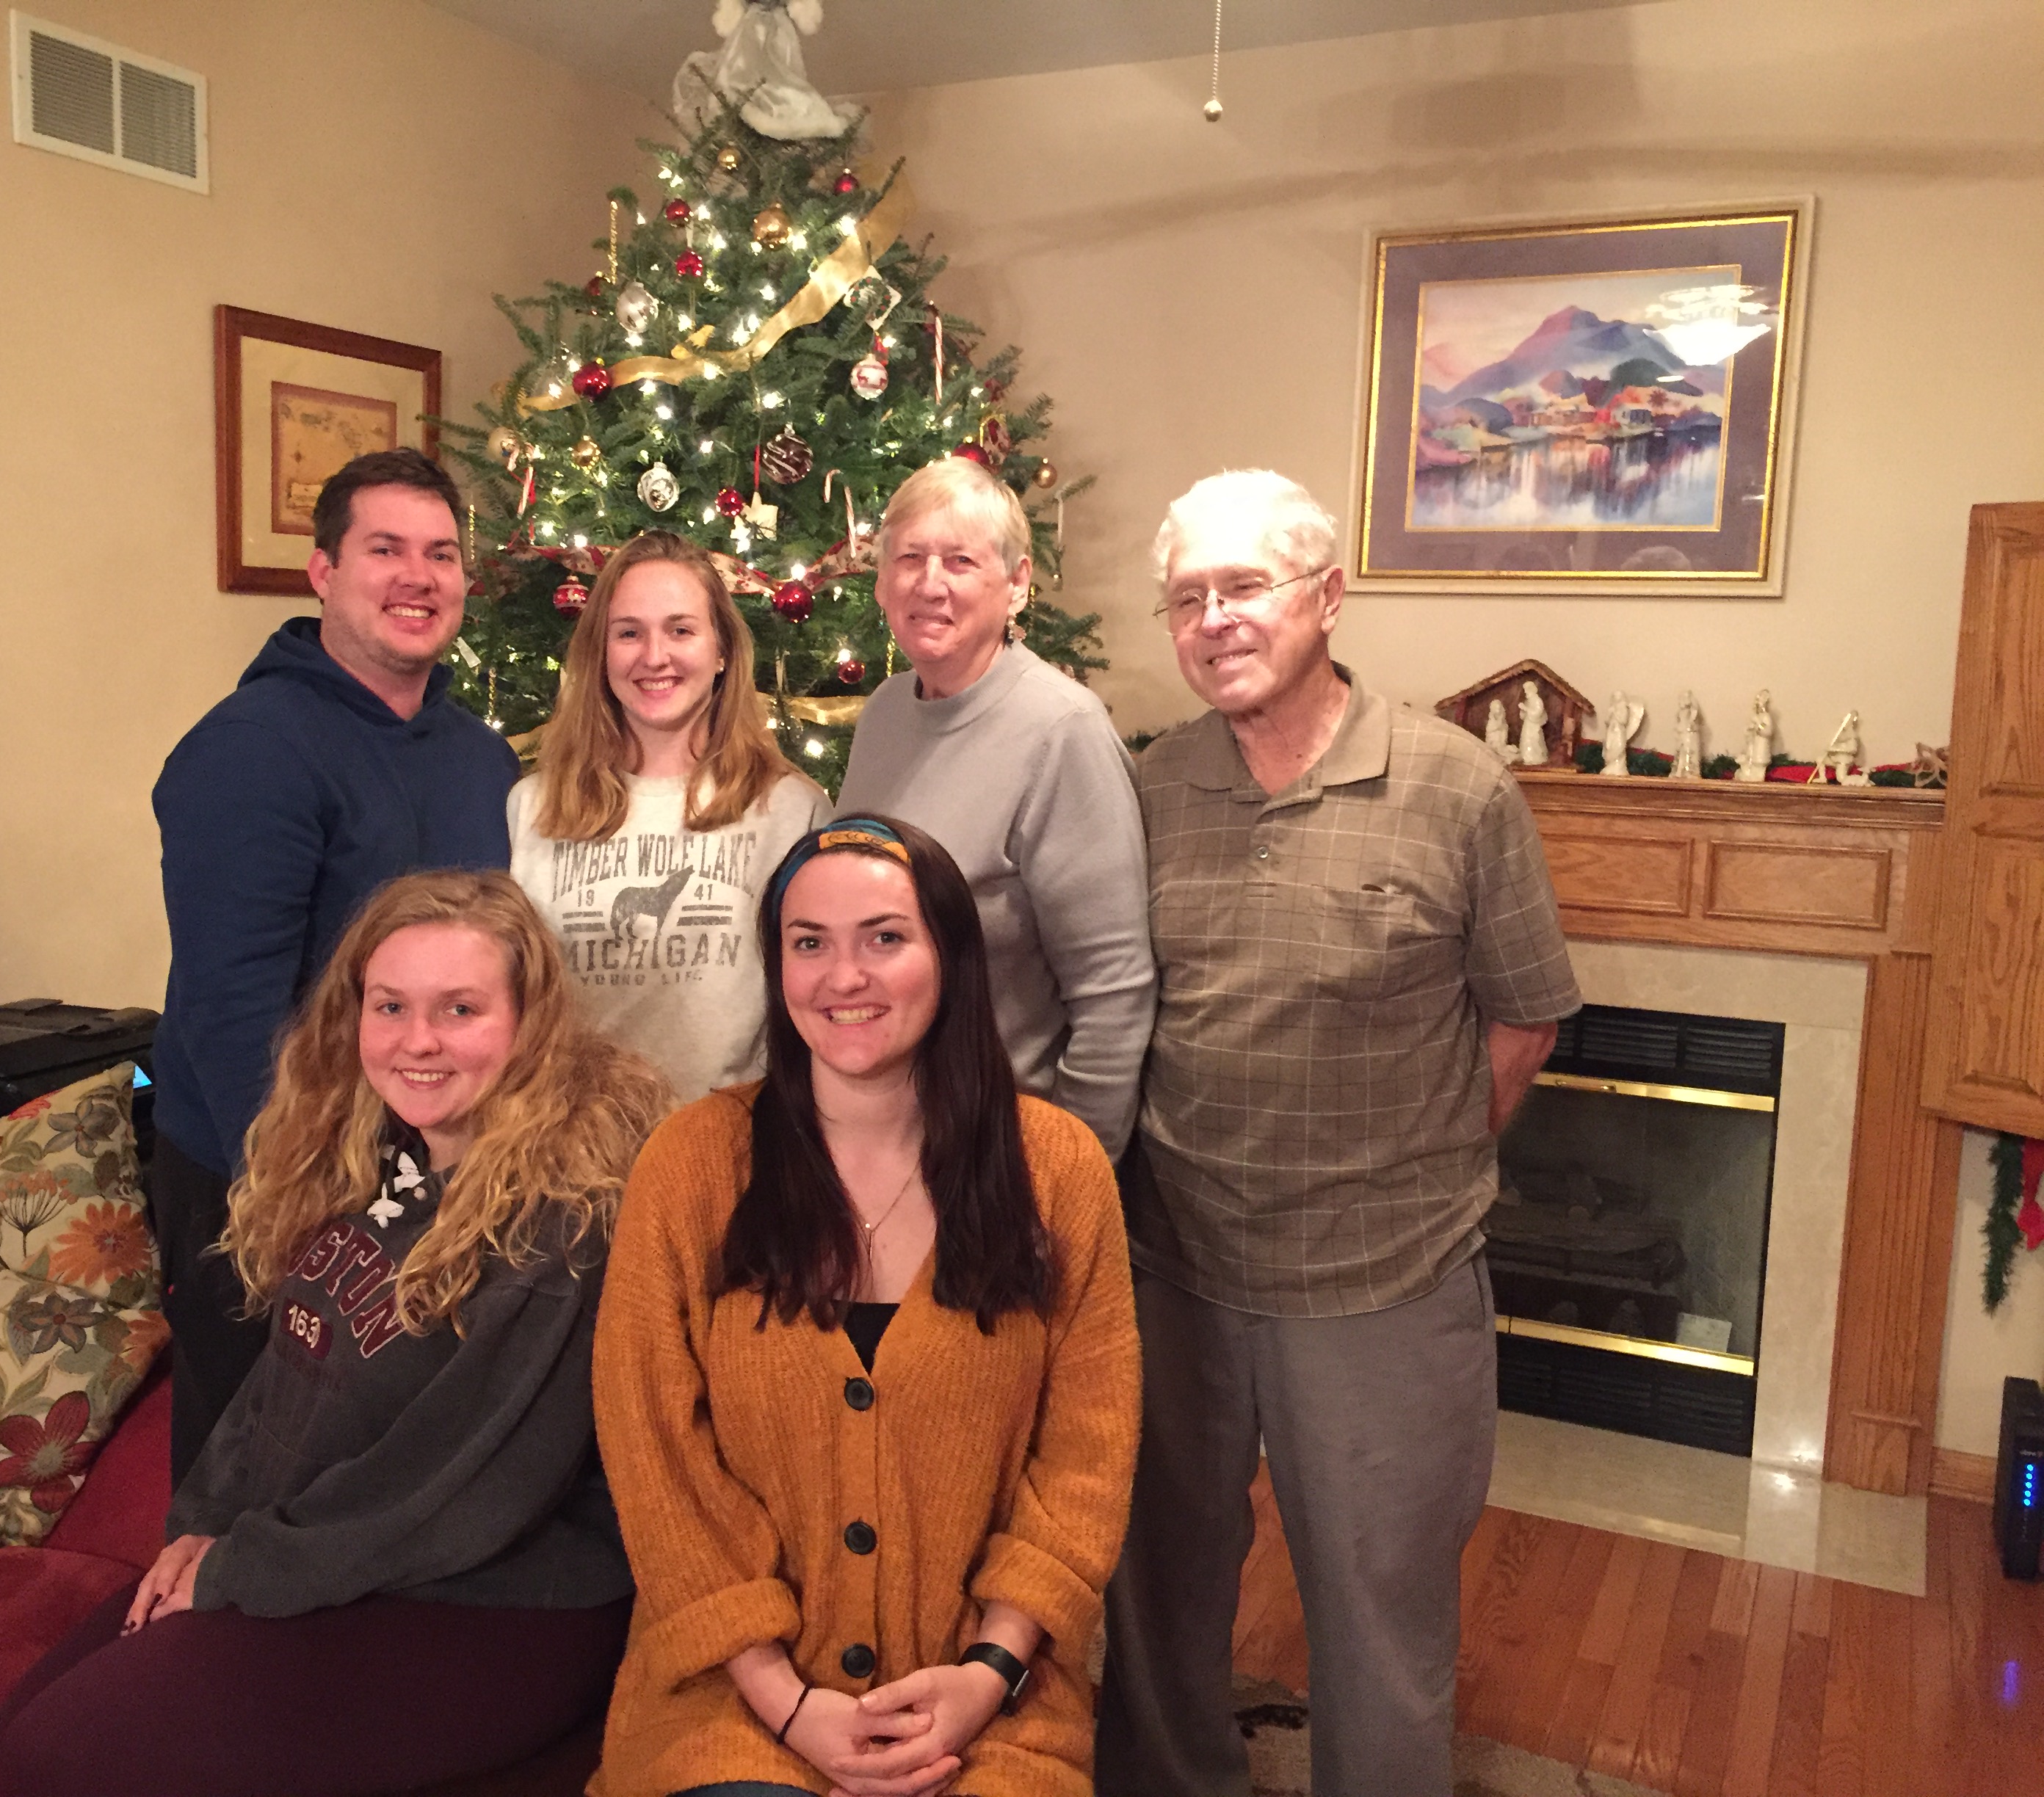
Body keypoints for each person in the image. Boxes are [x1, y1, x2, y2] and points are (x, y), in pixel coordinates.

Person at [1098, 470, 1582, 1797]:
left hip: (1382, 1286)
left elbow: (1524, 1019)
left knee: (1379, 1615)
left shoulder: (1456, 786)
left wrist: (1410, 1168)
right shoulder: (1149, 783)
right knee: (1156, 1589)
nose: (1213, 619)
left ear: (1325, 596)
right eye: (1186, 598)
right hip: (1174, 1271)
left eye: (1243, 586)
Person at [0, 871, 673, 1797]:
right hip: (341, 1555)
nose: (418, 1040)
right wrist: (205, 1528)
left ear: (530, 1023)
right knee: (22, 1725)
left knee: (62, 1751)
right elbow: (281, 1385)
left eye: (461, 1009)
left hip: (498, 1594)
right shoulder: (378, 1162)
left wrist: (244, 1568)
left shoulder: (564, 1220)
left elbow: (458, 1485)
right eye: (390, 1006)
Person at [590, 816, 1140, 1797]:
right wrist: (785, 1701)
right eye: (809, 943)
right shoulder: (692, 1165)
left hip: (984, 1706)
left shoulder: (1058, 1171)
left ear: (951, 956)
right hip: (733, 1704)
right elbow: (654, 1456)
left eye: (885, 938)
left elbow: (1085, 1462)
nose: (844, 977)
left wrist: (991, 1670)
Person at [151, 446, 521, 1484]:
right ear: (323, 572)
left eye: (441, 554)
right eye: (386, 550)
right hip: (267, 1172)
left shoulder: (483, 759)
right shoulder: (250, 750)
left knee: (380, 1468)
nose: (419, 577)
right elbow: (232, 1009)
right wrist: (304, 1205)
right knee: (254, 1466)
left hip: (429, 1163)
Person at [836, 458, 1155, 1158]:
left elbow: (1114, 995)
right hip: (881, 1135)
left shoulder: (1062, 730)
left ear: (1016, 584)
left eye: (960, 561)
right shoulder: (885, 713)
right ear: (882, 581)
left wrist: (1071, 1174)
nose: (930, 584)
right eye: (910, 558)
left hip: (998, 1149)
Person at [510, 531, 831, 1100]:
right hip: (568, 1136)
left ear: (722, 650)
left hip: (731, 1135)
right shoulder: (532, 806)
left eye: (681, 630)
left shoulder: (791, 809)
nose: (654, 656)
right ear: (601, 653)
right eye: (629, 633)